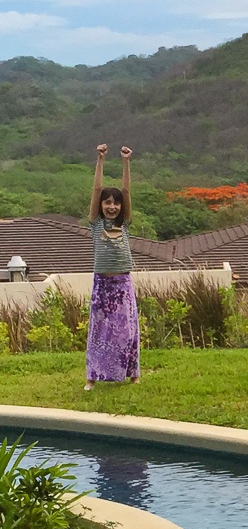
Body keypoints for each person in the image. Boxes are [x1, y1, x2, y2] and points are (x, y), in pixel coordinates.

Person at [85, 143, 140, 391]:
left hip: (123, 284)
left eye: (115, 203)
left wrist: (126, 162)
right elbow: (96, 189)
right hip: (102, 284)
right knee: (99, 331)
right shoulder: (96, 223)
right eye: (107, 203)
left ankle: (133, 374)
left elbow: (127, 192)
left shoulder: (125, 223)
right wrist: (101, 159)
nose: (111, 206)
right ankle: (92, 377)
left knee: (128, 331)